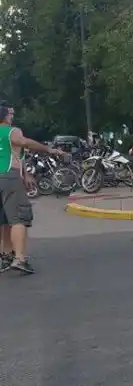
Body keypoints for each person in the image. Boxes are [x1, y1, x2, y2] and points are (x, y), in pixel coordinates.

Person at [0, 103, 65, 274]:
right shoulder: (11, 131)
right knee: (18, 218)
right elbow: (23, 143)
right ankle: (19, 259)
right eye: (10, 114)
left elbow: (17, 153)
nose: (12, 116)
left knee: (4, 220)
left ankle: (5, 255)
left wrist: (26, 174)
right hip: (8, 176)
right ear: (5, 116)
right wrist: (49, 150)